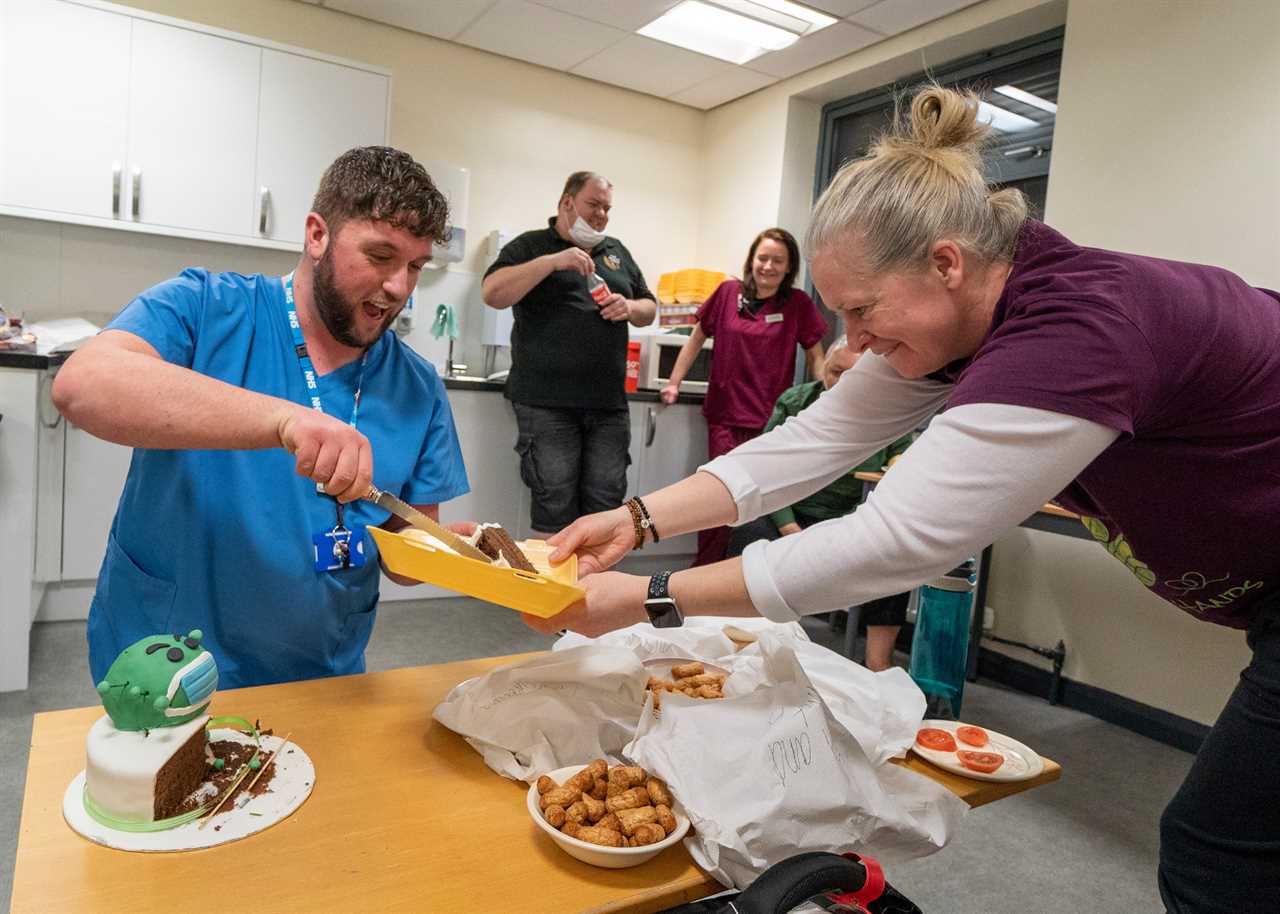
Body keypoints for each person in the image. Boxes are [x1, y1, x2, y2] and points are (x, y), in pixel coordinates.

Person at [530, 84, 1280, 913]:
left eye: (860, 311)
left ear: (946, 263)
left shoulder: (1075, 327)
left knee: (1219, 857)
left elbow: (892, 541)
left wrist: (647, 600)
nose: (853, 344)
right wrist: (637, 520)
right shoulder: (963, 319)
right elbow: (809, 443)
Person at [52, 146, 470, 689]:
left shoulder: (418, 387)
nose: (399, 288)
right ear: (317, 235)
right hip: (163, 668)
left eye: (415, 266)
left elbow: (405, 557)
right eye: (380, 256)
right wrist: (284, 420)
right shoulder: (205, 307)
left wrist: (455, 555)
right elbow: (82, 385)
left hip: (319, 676)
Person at [481, 171, 656, 537]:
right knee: (554, 507)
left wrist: (630, 306)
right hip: (546, 405)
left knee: (607, 507)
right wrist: (552, 262)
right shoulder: (531, 246)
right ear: (566, 202)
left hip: (608, 406)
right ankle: (555, 593)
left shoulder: (616, 252)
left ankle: (594, 593)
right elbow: (493, 293)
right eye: (594, 205)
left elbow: (649, 307)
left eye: (607, 208)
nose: (601, 216)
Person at [726, 336, 914, 671]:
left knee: (894, 550)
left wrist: (900, 460)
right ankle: (745, 642)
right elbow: (768, 470)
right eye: (835, 372)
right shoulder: (797, 401)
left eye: (851, 375)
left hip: (849, 519)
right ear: (823, 368)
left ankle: (878, 661)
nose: (840, 383)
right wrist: (789, 527)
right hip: (791, 511)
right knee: (748, 531)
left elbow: (902, 453)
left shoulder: (890, 409)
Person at [660, 228, 827, 565]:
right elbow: (696, 339)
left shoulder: (797, 305)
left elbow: (816, 357)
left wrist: (826, 397)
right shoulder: (726, 293)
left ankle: (744, 579)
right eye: (763, 258)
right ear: (751, 259)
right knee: (716, 498)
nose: (768, 266)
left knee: (761, 505)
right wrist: (673, 382)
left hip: (772, 423)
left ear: (789, 267)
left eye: (778, 261)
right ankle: (703, 571)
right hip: (726, 416)